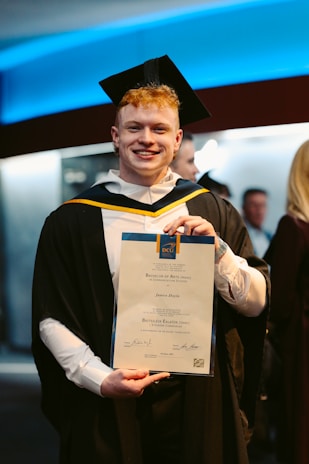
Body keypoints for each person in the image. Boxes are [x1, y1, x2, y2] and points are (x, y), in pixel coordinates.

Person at [32, 55, 270, 464]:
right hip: (112, 401)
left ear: (177, 140)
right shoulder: (73, 220)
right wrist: (100, 378)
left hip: (199, 399)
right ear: (115, 136)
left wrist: (220, 256)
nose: (147, 139)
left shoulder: (213, 211)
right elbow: (52, 316)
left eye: (160, 129)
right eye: (134, 128)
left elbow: (257, 302)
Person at [264, 140, 309, 463]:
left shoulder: (296, 227)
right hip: (299, 346)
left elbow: (278, 301)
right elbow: (280, 301)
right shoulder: (293, 227)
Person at [242, 188, 272, 258]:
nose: (260, 211)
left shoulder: (270, 237)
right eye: (254, 205)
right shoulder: (239, 237)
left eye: (263, 205)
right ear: (244, 208)